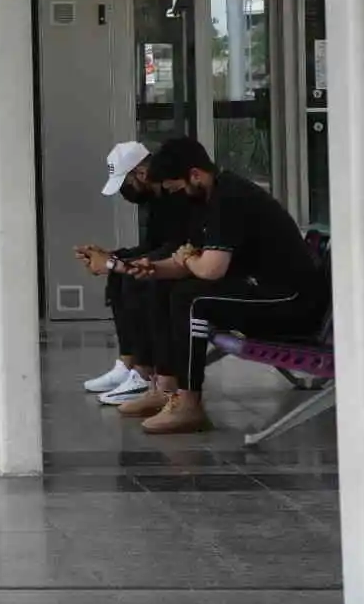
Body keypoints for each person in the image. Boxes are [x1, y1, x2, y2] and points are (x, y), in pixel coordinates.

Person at [116, 137, 329, 434]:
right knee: (163, 286)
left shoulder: (230, 199)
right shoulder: (210, 197)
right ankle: (165, 389)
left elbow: (211, 269)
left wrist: (188, 260)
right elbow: (190, 261)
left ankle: (189, 404)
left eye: (177, 188)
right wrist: (151, 269)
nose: (176, 196)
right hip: (265, 291)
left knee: (191, 299)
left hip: (291, 301)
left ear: (194, 175)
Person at [75, 141, 197, 406]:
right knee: (121, 273)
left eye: (126, 184)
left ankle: (144, 372)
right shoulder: (156, 201)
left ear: (140, 172)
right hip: (174, 257)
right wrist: (113, 255)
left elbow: (176, 245)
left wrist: (120, 261)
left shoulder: (176, 196)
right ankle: (128, 363)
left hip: (187, 263)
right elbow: (153, 245)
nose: (126, 192)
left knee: (138, 278)